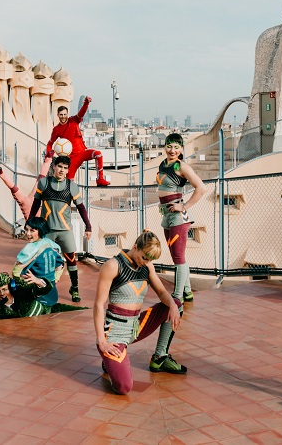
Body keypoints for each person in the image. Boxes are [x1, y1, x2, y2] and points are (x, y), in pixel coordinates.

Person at [94, 231, 186, 394]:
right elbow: (99, 305)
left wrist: (172, 305)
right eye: (144, 257)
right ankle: (110, 360)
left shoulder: (147, 266)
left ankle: (160, 357)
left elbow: (162, 292)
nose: (147, 262)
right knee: (124, 387)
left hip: (136, 327)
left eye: (150, 259)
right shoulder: (113, 266)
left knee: (175, 304)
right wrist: (102, 341)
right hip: (115, 335)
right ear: (135, 247)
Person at [29, 155, 92, 302]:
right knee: (42, 260)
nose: (62, 170)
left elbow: (81, 208)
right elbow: (36, 204)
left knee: (71, 259)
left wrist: (88, 226)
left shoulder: (72, 186)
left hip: (65, 231)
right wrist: (30, 222)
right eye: (60, 167)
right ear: (54, 167)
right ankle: (41, 288)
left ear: (67, 170)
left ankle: (74, 289)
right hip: (47, 231)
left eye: (65, 168)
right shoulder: (43, 183)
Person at [156, 133, 206, 306]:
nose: (172, 150)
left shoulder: (182, 166)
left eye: (176, 147)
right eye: (169, 146)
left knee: (178, 256)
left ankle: (178, 295)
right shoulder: (163, 164)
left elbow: (201, 188)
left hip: (179, 216)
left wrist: (183, 206)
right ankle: (187, 291)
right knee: (177, 255)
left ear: (182, 149)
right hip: (166, 215)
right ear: (165, 147)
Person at [45, 97, 110, 187]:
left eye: (64, 114)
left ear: (67, 114)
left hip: (83, 152)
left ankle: (100, 179)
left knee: (98, 154)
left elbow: (81, 113)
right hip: (72, 159)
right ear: (58, 115)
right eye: (61, 114)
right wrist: (48, 154)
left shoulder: (74, 120)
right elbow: (50, 143)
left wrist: (86, 103)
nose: (63, 116)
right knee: (69, 182)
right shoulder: (56, 129)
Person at [12, 217, 65, 305]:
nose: (27, 233)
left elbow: (15, 272)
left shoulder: (29, 249)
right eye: (26, 230)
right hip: (52, 293)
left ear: (40, 230)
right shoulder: (54, 246)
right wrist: (55, 279)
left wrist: (18, 284)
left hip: (35, 293)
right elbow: (60, 265)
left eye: (32, 230)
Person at [0, 154, 53, 224]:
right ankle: (0, 173)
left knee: (39, 179)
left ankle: (49, 159)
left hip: (30, 205)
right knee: (14, 189)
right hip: (29, 209)